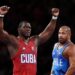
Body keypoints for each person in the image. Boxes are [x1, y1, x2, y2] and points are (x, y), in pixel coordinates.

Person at [0, 6, 59, 75]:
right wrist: (1, 15)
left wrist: (54, 18)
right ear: (19, 29)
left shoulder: (34, 41)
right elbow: (1, 33)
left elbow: (48, 32)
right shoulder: (14, 42)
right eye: (25, 27)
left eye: (29, 27)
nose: (28, 29)